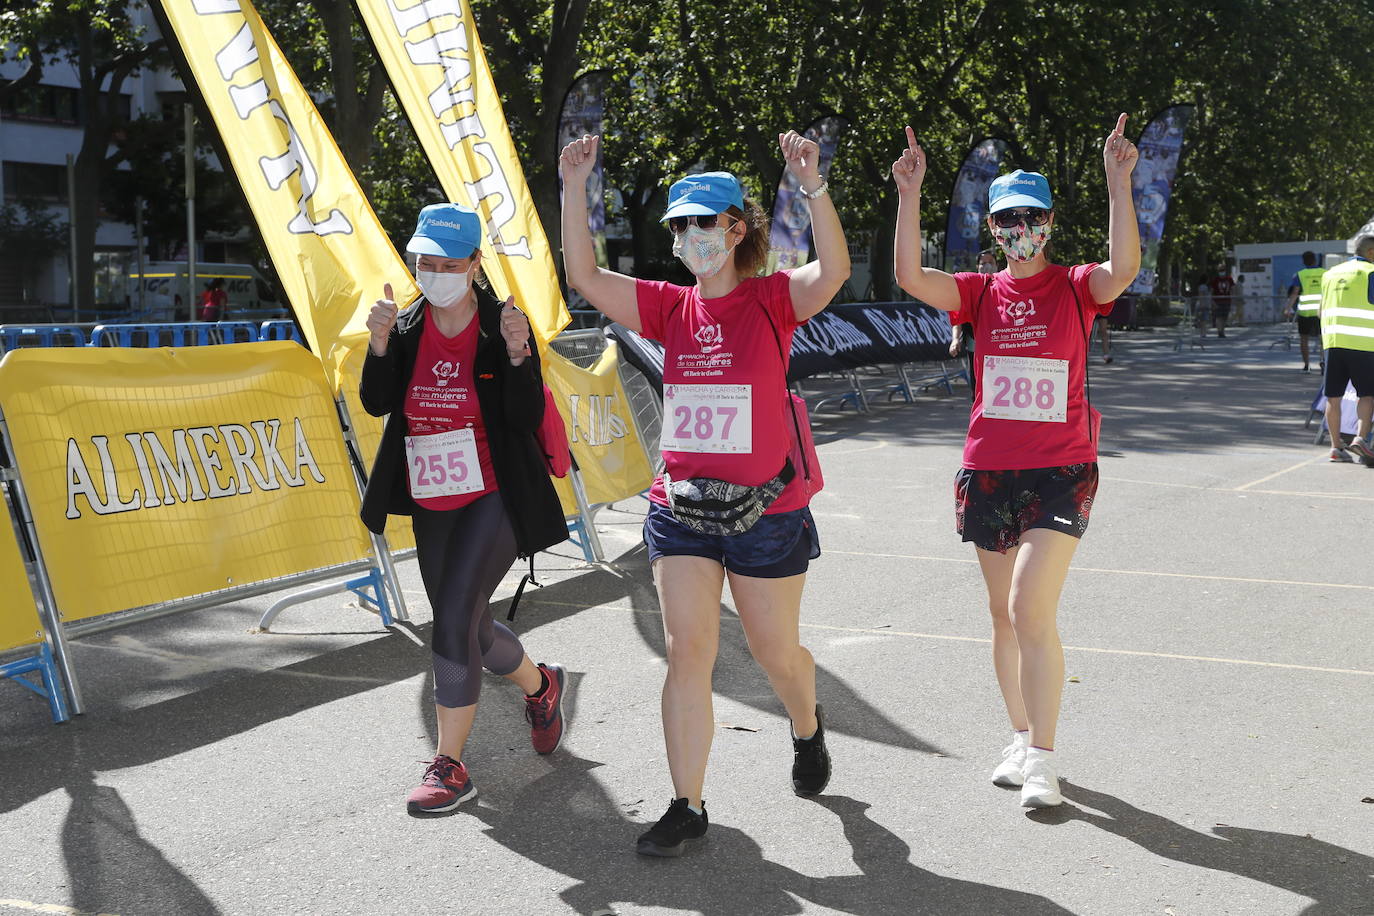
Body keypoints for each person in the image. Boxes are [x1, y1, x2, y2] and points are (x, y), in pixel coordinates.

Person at [559, 131, 849, 856]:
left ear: (736, 228)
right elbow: (586, 276)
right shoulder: (666, 307)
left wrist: (810, 184)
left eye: (702, 222)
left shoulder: (771, 300)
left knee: (774, 653)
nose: (690, 236)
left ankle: (806, 723)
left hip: (766, 514)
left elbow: (835, 270)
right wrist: (574, 189)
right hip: (681, 509)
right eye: (679, 226)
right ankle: (687, 804)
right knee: (688, 649)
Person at [891, 114, 1140, 808]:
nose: (1018, 228)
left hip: (1061, 469)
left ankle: (1044, 760)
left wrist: (1119, 181)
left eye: (1030, 216)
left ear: (1050, 221)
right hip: (988, 470)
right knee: (1003, 616)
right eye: (1006, 218)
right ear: (992, 227)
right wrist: (909, 194)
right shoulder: (977, 292)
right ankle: (1019, 733)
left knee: (1032, 606)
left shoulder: (1075, 286)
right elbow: (909, 274)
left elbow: (1125, 269)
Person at [358, 202, 571, 814]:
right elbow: (378, 404)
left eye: (451, 263)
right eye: (426, 262)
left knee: (451, 616)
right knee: (472, 626)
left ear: (476, 265)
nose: (436, 273)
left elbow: (524, 418)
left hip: (493, 493)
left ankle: (450, 766)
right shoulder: (403, 327)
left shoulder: (499, 326)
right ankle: (541, 686)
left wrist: (517, 357)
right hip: (432, 495)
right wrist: (377, 343)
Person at [1318, 234, 1374, 465]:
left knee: (1333, 397)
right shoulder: (1370, 273)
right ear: (1371, 253)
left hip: (1333, 343)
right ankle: (1360, 439)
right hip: (1364, 344)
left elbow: (1320, 311)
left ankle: (1335, 447)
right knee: (1367, 395)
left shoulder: (1329, 274)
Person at [950, 250, 996, 397]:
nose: (987, 266)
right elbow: (959, 317)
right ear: (977, 266)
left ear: (997, 265)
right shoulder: (970, 287)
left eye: (991, 263)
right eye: (983, 263)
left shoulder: (1003, 285)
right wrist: (955, 339)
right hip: (975, 344)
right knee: (977, 386)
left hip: (999, 345)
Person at [1282, 251, 1325, 373]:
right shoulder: (1325, 273)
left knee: (1304, 339)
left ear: (1304, 261)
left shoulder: (1300, 275)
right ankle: (1323, 361)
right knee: (1323, 339)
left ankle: (1307, 366)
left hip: (1305, 313)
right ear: (1315, 260)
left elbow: (1295, 293)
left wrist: (1288, 308)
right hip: (1321, 312)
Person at [1209, 265, 1235, 337]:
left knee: (1224, 317)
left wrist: (1233, 299)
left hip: (1227, 301)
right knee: (1218, 317)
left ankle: (1222, 331)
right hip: (1217, 301)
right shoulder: (1215, 280)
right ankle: (1219, 331)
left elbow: (1232, 289)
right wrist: (1212, 301)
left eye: (1223, 270)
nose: (1222, 272)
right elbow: (1211, 291)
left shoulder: (1229, 279)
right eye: (1220, 270)